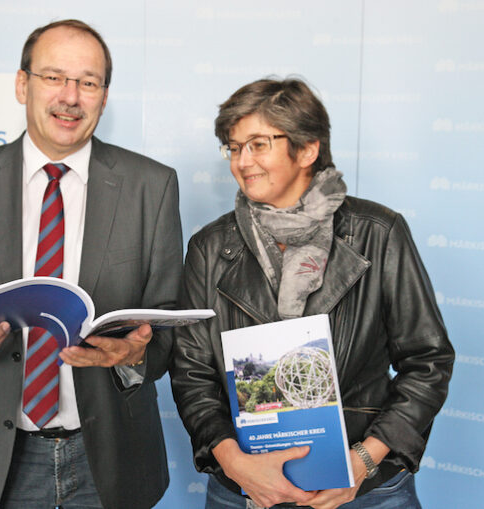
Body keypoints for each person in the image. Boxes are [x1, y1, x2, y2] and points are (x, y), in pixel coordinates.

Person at [0, 19, 182, 509]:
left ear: (103, 95)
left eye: (88, 82)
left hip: (113, 460)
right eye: (54, 77)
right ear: (22, 84)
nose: (70, 97)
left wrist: (135, 355)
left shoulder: (151, 186)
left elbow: (169, 326)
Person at [170, 77, 454, 509]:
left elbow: (427, 364)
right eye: (233, 147)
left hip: (364, 491)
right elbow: (192, 374)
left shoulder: (379, 233)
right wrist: (235, 463)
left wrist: (361, 462)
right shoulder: (210, 248)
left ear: (307, 150)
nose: (242, 161)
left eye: (258, 144)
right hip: (244, 491)